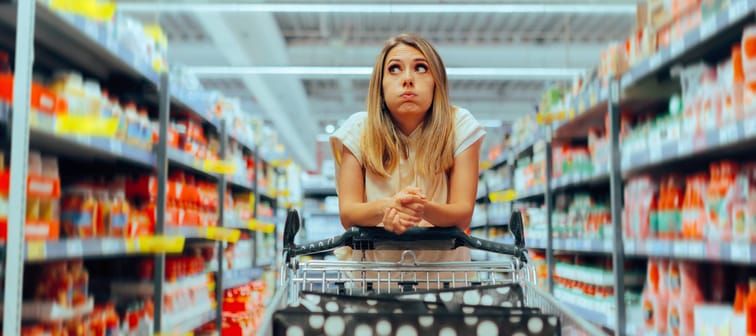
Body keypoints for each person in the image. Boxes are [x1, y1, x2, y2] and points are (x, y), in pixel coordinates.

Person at [330, 33, 486, 264]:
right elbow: (349, 213)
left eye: (421, 68)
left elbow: (462, 213)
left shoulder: (459, 126)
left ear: (436, 82)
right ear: (380, 86)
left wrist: (420, 209)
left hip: (443, 278)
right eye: (394, 69)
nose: (408, 79)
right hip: (373, 277)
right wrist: (388, 207)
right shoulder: (358, 129)